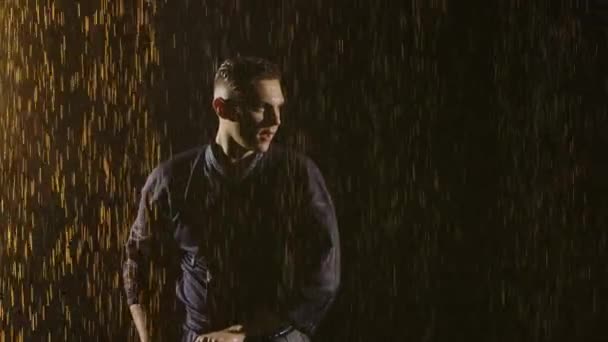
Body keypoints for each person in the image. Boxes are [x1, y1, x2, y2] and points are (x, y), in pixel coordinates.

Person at [122, 56, 341, 342]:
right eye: (261, 108)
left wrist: (244, 334)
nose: (276, 121)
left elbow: (323, 276)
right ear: (222, 108)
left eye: (278, 107)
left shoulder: (298, 177)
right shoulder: (170, 181)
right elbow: (139, 266)